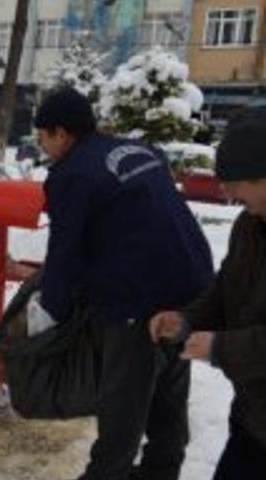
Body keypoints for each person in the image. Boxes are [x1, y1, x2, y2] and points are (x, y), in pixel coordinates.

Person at [32, 87, 214, 480]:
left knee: (123, 403)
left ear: (61, 134)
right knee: (168, 387)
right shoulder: (137, 150)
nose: (41, 146)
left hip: (139, 298)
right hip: (193, 284)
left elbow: (65, 251)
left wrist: (53, 313)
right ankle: (160, 473)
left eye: (42, 137)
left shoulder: (72, 174)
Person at [150, 110, 266, 479]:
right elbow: (224, 289)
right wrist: (186, 320)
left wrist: (220, 348)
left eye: (234, 182)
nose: (227, 193)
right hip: (253, 410)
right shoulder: (249, 225)